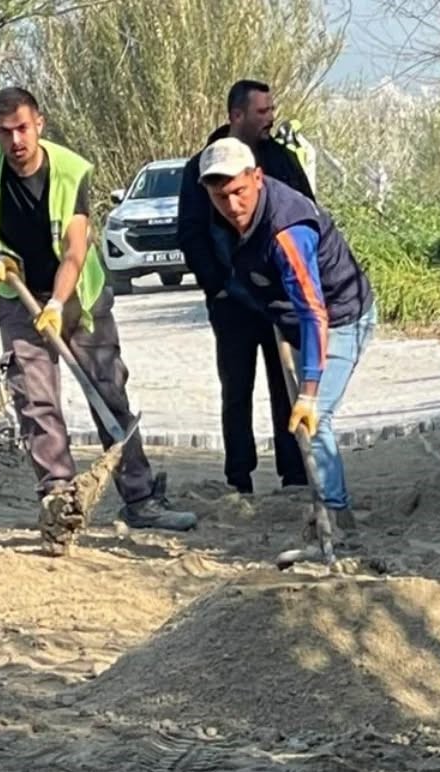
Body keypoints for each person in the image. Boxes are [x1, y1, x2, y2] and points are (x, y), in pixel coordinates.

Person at [0, 86, 196, 534]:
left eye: (22, 128)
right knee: (35, 400)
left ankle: (141, 499)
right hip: (18, 295)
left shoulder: (70, 171)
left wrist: (59, 303)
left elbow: (75, 251)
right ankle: (59, 502)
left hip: (78, 297)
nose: (15, 141)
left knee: (108, 392)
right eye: (4, 132)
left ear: (38, 124)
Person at [198, 137, 376, 539]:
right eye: (220, 196)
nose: (233, 206)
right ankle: (327, 508)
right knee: (304, 420)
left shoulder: (287, 230)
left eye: (239, 192)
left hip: (341, 317)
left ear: (257, 178)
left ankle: (335, 516)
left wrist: (310, 389)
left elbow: (315, 311)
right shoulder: (225, 217)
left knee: (312, 419)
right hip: (293, 319)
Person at [178, 80, 314, 496]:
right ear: (236, 115)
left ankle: (294, 473)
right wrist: (216, 286)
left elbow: (307, 215)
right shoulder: (200, 166)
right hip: (231, 302)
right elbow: (191, 232)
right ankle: (238, 477)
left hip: (277, 298)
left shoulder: (283, 161)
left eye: (271, 109)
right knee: (236, 388)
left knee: (285, 384)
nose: (270, 118)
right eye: (261, 112)